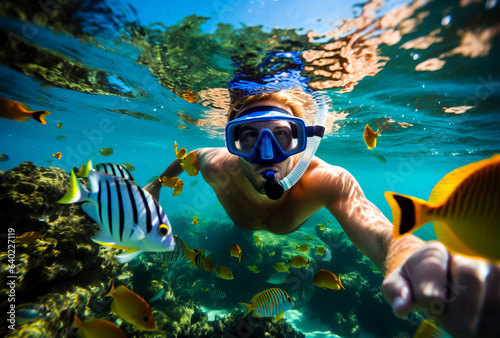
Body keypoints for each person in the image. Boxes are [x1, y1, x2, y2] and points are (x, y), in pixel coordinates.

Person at [144, 87, 499, 337]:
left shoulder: (328, 181)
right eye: (248, 138)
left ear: (304, 140)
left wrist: (409, 257)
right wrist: (156, 186)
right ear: (232, 143)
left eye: (282, 136)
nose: (267, 154)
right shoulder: (217, 166)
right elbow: (185, 158)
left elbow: (377, 231)